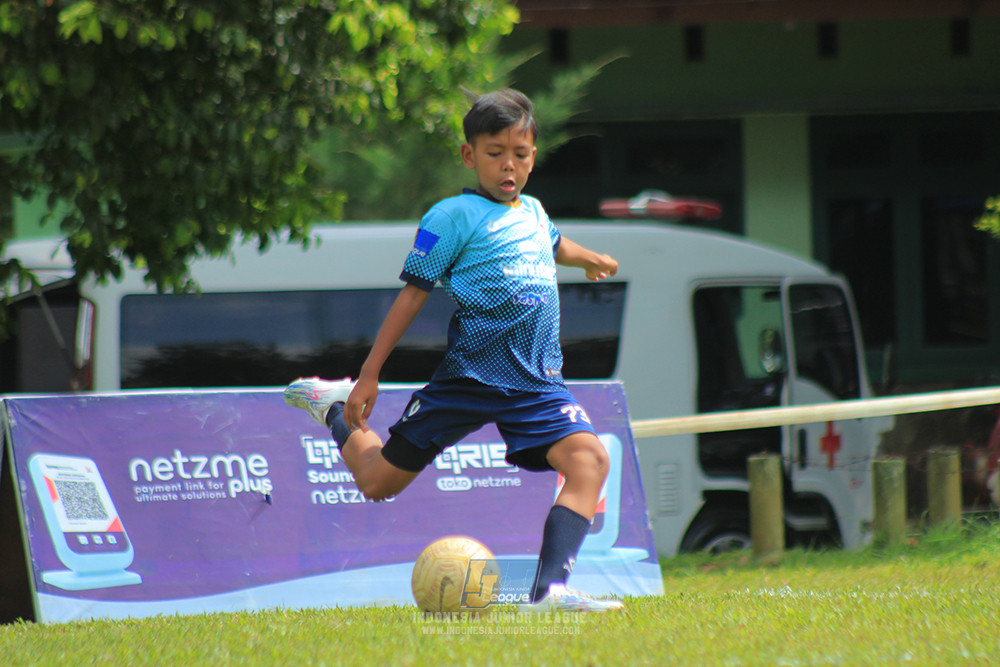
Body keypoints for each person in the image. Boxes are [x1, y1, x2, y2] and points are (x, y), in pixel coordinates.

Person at [284, 89, 622, 612]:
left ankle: (548, 593)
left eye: (520, 154)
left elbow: (556, 245)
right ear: (469, 155)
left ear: (533, 157)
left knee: (589, 459)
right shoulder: (450, 217)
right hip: (467, 380)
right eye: (495, 153)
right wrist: (370, 374)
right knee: (377, 483)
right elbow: (412, 295)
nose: (508, 165)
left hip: (536, 383)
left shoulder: (534, 212)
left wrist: (590, 258)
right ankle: (333, 406)